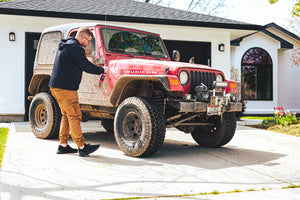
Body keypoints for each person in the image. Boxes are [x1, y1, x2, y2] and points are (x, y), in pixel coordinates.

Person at [49, 27, 108, 157]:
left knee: (66, 114)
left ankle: (63, 145)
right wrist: (102, 70)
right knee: (74, 115)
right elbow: (86, 66)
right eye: (88, 40)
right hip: (66, 88)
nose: (88, 44)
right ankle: (82, 147)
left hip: (56, 86)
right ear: (81, 37)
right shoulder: (75, 48)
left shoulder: (65, 45)